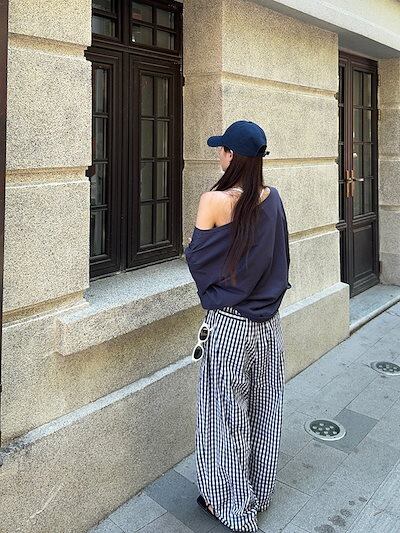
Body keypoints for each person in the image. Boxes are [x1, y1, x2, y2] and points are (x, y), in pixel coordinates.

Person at [184, 120, 291, 532]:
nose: (218, 154)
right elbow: (281, 258)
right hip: (269, 327)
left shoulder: (214, 200)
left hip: (229, 327)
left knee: (224, 420)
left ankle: (233, 508)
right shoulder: (273, 198)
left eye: (222, 149)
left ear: (232, 156)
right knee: (265, 413)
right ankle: (258, 494)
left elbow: (199, 262)